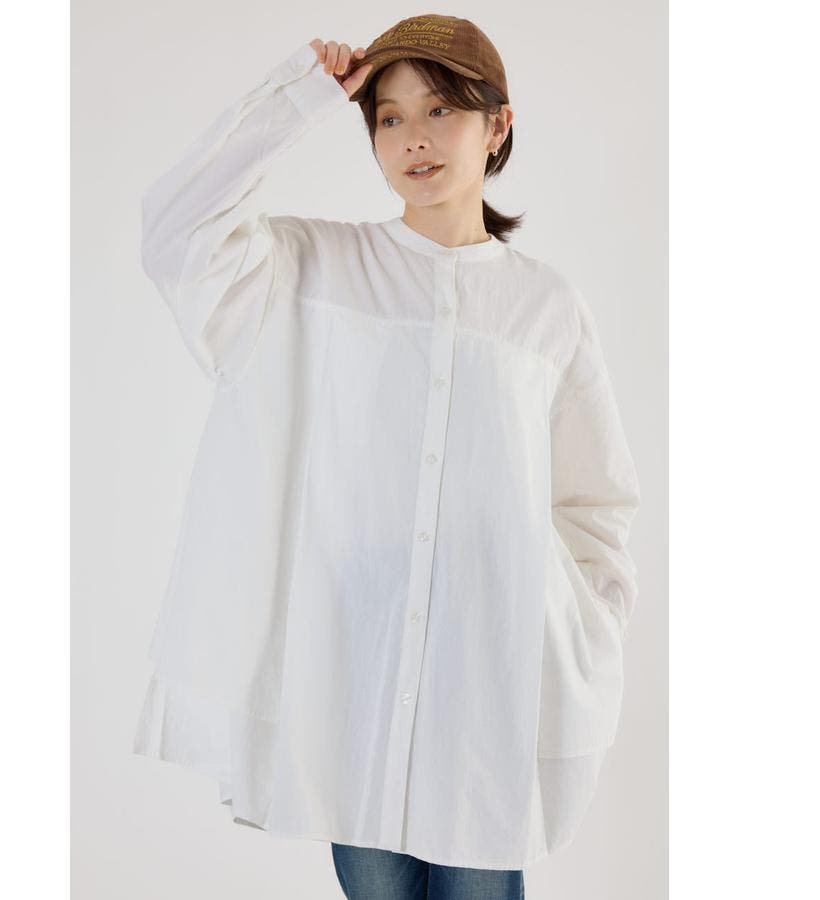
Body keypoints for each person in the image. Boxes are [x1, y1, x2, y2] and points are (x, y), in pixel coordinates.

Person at [132, 14, 641, 900]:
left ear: (498, 124)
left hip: (489, 697)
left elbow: (594, 501)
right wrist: (297, 99)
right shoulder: (313, 271)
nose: (413, 139)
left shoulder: (546, 310)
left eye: (441, 110)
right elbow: (177, 232)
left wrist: (583, 622)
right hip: (355, 699)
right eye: (390, 117)